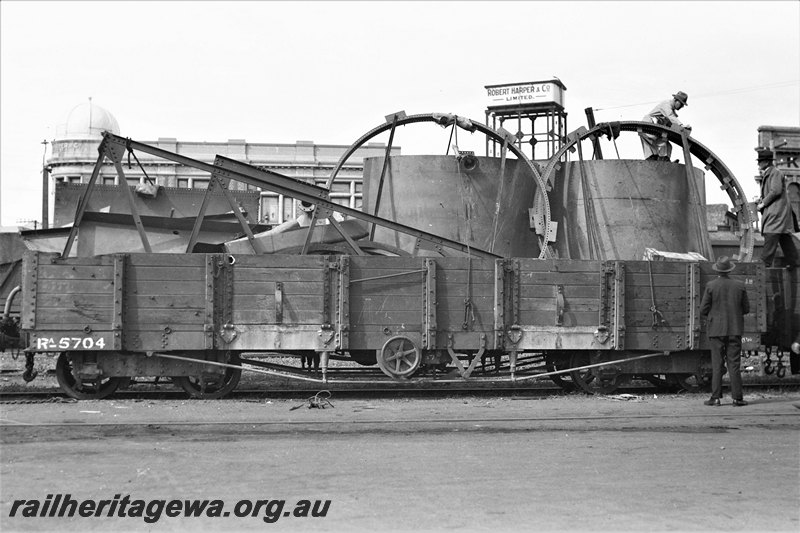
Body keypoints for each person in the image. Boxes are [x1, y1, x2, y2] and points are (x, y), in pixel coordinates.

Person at [699, 256, 750, 406]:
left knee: (717, 364)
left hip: (716, 330)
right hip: (734, 329)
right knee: (734, 364)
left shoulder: (711, 285)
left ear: (717, 270)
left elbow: (703, 309)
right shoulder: (739, 286)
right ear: (729, 270)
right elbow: (746, 309)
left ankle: (715, 398)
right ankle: (737, 398)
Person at [756, 148, 799, 268]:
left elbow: (776, 191)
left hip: (777, 213)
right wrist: (761, 200)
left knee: (772, 234)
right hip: (778, 213)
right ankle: (794, 263)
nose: (758, 164)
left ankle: (764, 264)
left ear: (766, 162)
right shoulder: (770, 173)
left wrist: (763, 203)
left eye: (760, 161)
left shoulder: (775, 172)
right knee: (784, 237)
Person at [640, 91, 692, 161]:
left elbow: (672, 122)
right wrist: (681, 125)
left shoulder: (671, 110)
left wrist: (684, 130)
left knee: (668, 146)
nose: (682, 107)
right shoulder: (666, 105)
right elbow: (671, 117)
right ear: (676, 100)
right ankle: (662, 160)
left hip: (654, 127)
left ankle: (664, 160)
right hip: (648, 125)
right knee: (662, 143)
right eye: (681, 104)